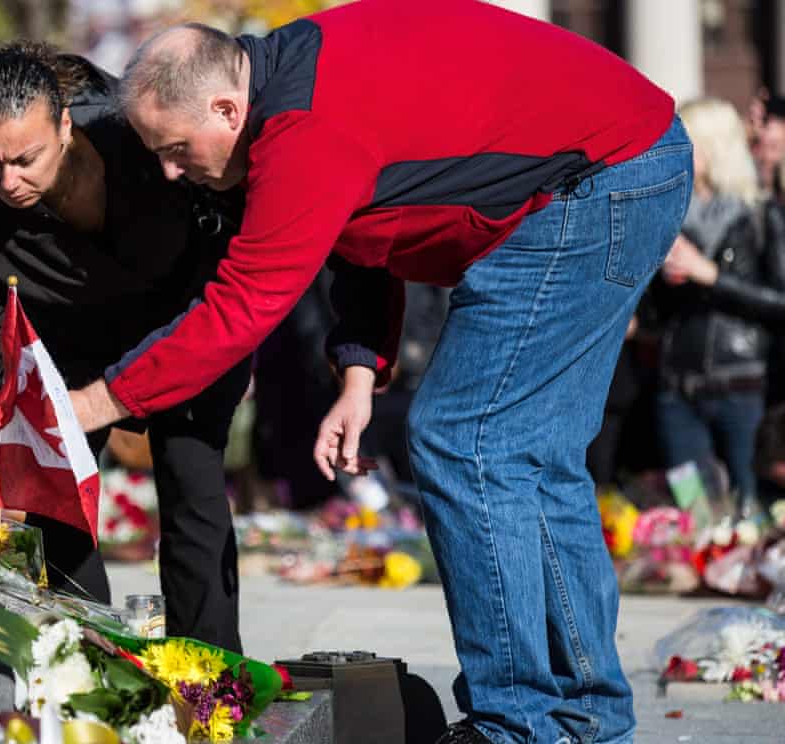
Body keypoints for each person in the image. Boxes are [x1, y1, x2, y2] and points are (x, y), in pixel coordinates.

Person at [71, 3, 690, 743]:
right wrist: (359, 373)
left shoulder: (303, 132)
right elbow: (369, 222)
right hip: (628, 161)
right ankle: (583, 720)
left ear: (226, 107)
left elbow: (243, 306)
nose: (173, 171)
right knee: (530, 457)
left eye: (175, 148)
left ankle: (521, 726)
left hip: (594, 184)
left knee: (467, 442)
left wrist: (101, 400)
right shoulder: (288, 79)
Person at [0, 41, 249, 651]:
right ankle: (100, 668)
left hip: (181, 326)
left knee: (191, 482)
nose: (8, 181)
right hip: (69, 349)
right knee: (54, 505)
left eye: (25, 158)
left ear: (65, 124)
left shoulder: (145, 138)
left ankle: (210, 682)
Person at [649, 99, 785, 515]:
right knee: (695, 515)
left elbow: (780, 301)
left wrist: (709, 274)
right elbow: (655, 314)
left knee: (751, 513)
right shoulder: (666, 213)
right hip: (677, 390)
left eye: (686, 141)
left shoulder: (759, 216)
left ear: (713, 146)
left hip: (743, 391)